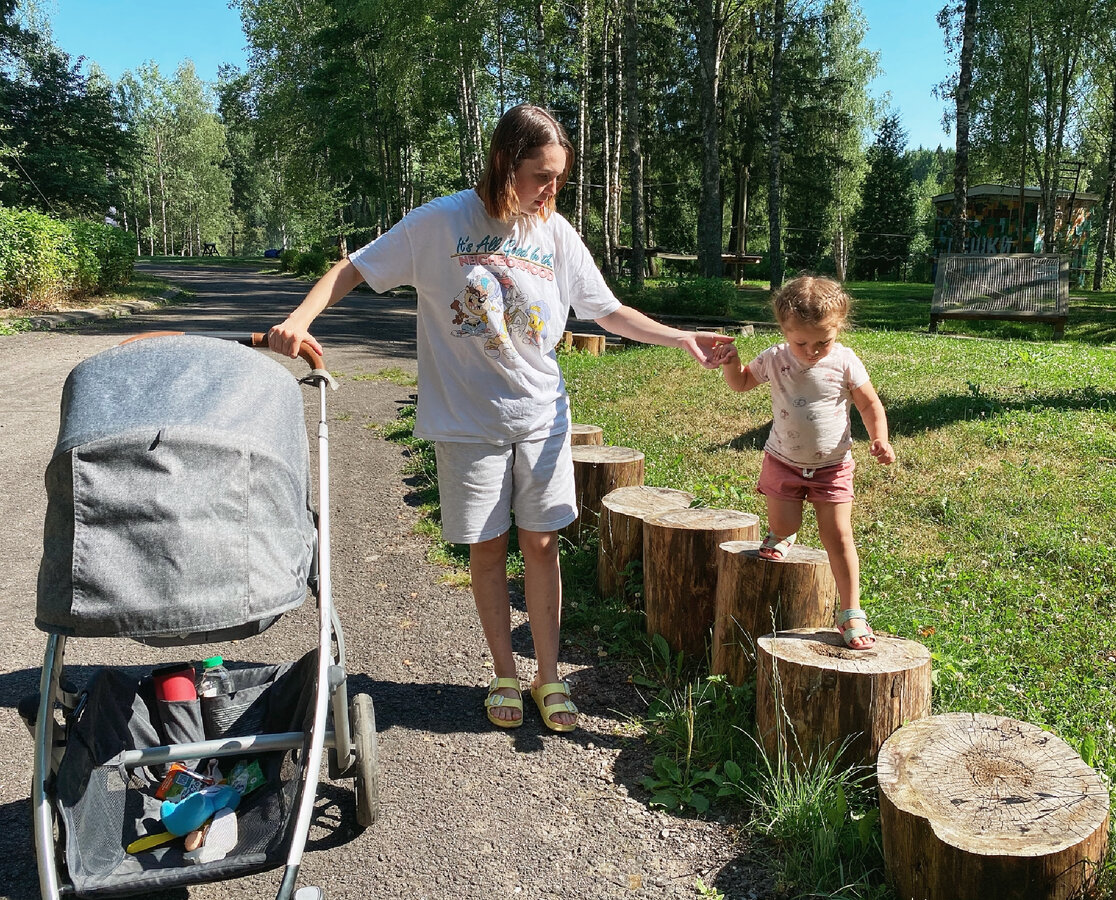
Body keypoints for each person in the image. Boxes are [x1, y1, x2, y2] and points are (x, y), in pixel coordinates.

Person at [267, 103, 732, 732]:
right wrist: (299, 320)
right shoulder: (441, 222)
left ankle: (550, 676)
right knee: (487, 551)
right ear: (504, 164)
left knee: (541, 544)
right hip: (466, 422)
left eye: (560, 177)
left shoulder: (556, 235)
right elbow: (354, 269)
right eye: (542, 175)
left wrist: (682, 339)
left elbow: (607, 310)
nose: (552, 190)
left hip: (541, 416)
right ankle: (504, 675)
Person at [711, 276, 894, 650]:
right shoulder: (776, 358)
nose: (811, 351)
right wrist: (732, 363)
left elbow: (869, 404)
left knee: (839, 538)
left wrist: (880, 437)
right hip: (783, 461)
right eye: (802, 342)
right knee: (784, 522)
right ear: (784, 329)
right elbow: (742, 383)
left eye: (822, 342)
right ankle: (783, 533)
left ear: (839, 328)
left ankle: (851, 611)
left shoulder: (845, 361)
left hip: (833, 466)